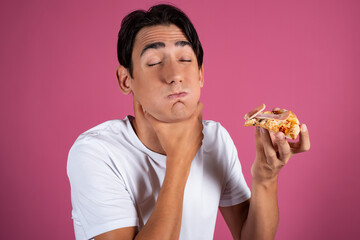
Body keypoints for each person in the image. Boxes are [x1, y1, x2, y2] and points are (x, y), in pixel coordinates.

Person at [67, 4, 310, 240]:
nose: (175, 76)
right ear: (125, 80)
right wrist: (179, 160)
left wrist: (266, 176)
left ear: (201, 74)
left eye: (184, 59)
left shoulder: (215, 139)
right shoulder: (95, 152)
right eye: (153, 62)